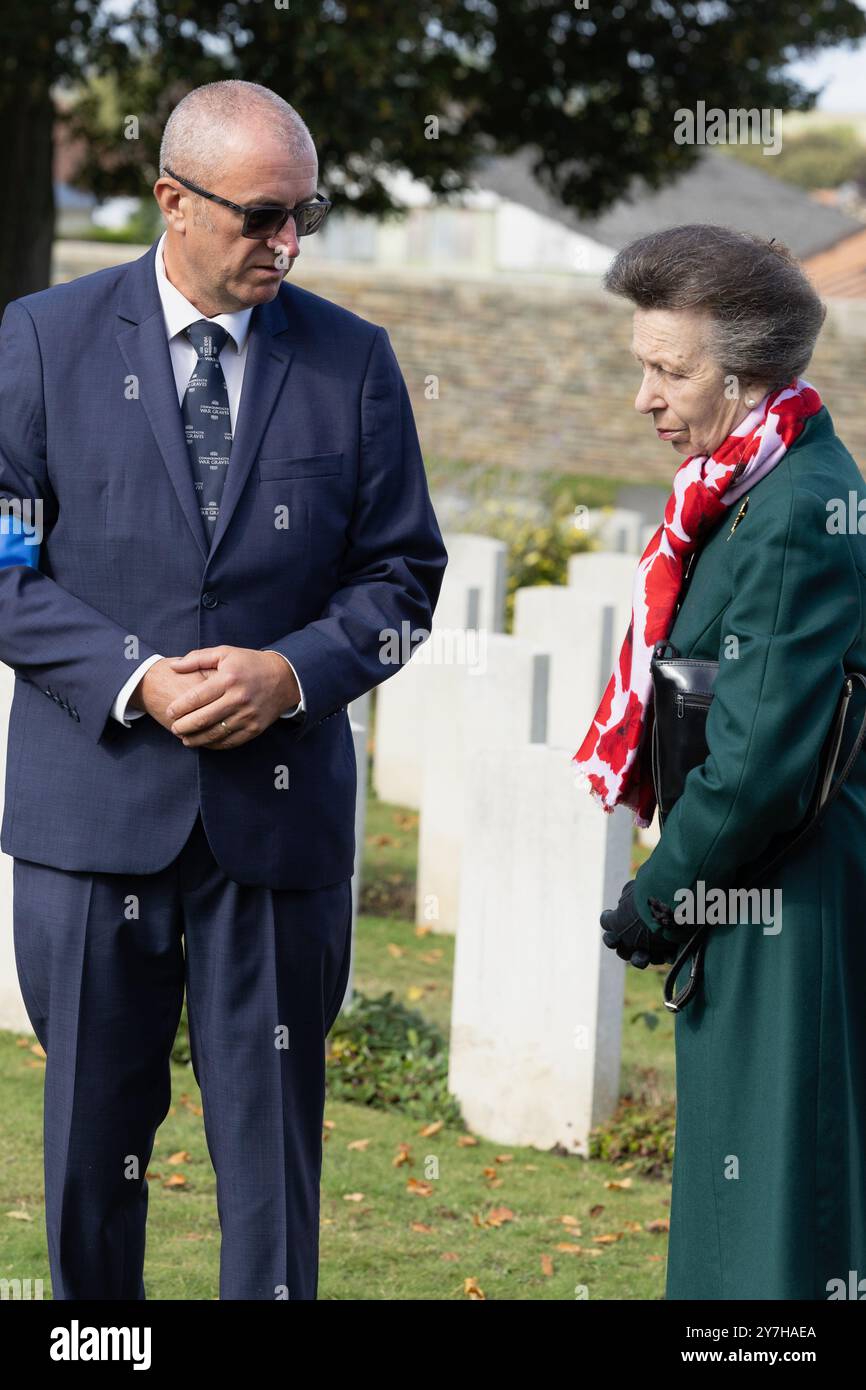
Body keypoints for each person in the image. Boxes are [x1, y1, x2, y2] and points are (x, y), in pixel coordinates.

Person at [0, 79, 447, 1300]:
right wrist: (135, 679)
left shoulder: (352, 358)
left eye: (302, 214)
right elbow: (2, 566)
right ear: (171, 200)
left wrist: (292, 672)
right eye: (260, 215)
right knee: (94, 1153)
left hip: (278, 820)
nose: (286, 242)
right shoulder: (42, 339)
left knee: (272, 1161)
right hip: (93, 820)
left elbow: (404, 574)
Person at [574, 224, 866, 1300]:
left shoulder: (790, 512)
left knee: (774, 1230)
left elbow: (752, 767)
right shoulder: (739, 491)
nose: (645, 396)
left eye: (669, 369)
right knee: (738, 1209)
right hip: (746, 893)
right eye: (641, 365)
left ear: (745, 377)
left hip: (779, 905)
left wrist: (652, 902)